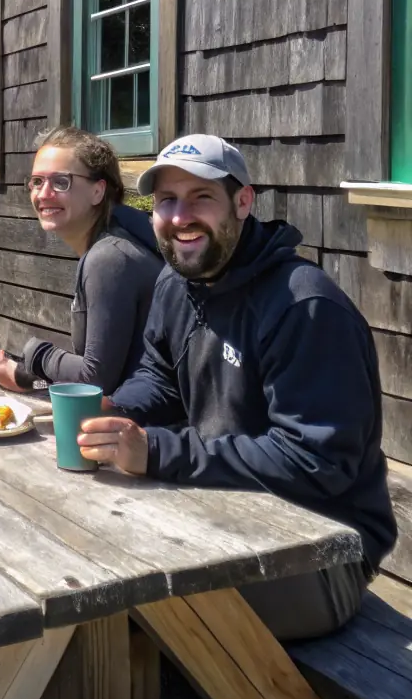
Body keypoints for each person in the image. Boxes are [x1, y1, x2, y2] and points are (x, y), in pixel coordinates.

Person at [76, 135, 397, 641]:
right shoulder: (177, 283)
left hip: (322, 555)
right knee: (83, 537)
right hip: (225, 517)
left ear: (243, 202)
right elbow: (161, 380)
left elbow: (315, 462)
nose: (180, 216)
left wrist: (158, 451)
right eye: (166, 201)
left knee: (107, 589)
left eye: (201, 197)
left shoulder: (304, 308)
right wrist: (110, 407)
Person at [0, 127, 162, 395]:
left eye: (61, 182)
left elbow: (96, 380)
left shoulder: (110, 258)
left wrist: (36, 353)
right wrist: (27, 378)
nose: (44, 194)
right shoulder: (111, 244)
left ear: (97, 192)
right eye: (37, 181)